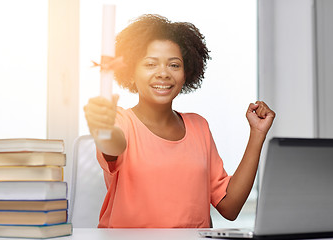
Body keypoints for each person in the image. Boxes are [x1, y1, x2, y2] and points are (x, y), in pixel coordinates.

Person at [84, 14, 275, 228]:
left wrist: (257, 134)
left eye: (174, 65)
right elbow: (113, 144)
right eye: (150, 64)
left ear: (186, 74)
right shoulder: (120, 121)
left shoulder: (199, 127)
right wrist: (104, 128)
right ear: (131, 71)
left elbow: (230, 207)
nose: (163, 73)